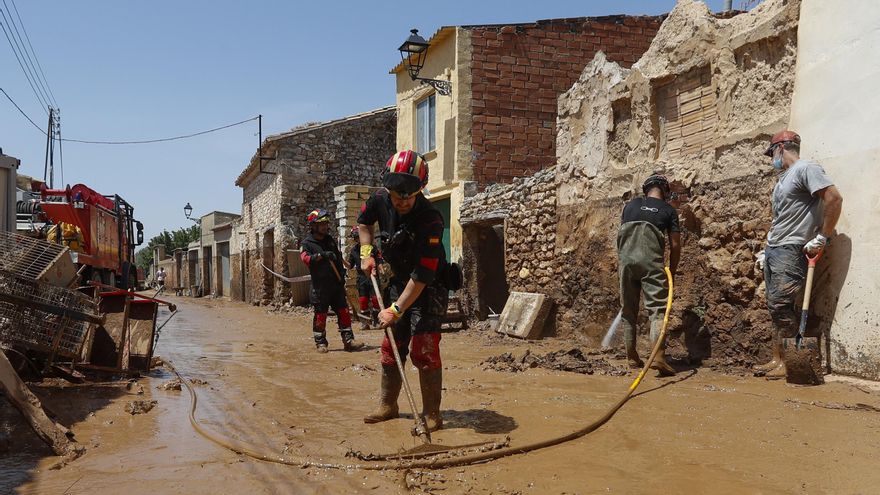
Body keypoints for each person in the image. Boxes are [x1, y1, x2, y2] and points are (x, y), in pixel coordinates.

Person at [359, 150, 449, 431]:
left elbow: (422, 276)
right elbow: (364, 223)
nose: (402, 202)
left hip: (430, 286)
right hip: (399, 281)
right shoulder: (379, 199)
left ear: (420, 190)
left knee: (424, 348)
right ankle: (388, 405)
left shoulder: (431, 219)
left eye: (408, 197)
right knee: (391, 345)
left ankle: (432, 415)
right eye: (397, 196)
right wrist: (366, 252)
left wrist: (396, 309)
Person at [754, 130, 843, 379]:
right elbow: (781, 218)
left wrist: (822, 236)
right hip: (775, 248)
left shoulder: (806, 169)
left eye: (772, 153)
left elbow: (834, 199)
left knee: (781, 304)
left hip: (792, 248)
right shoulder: (783, 179)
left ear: (780, 148)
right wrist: (767, 249)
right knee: (775, 307)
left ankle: (789, 362)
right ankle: (777, 358)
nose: (771, 159)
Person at [617, 174, 681, 376]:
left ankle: (631, 357)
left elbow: (621, 234)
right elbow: (675, 245)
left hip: (626, 262)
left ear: (646, 190)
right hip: (651, 264)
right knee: (657, 311)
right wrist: (672, 270)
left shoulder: (629, 206)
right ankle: (658, 356)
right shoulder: (668, 210)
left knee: (628, 310)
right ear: (665, 190)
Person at [300, 209, 363, 353]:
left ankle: (349, 341)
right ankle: (321, 343)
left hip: (336, 284)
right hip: (320, 287)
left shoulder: (329, 240)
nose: (325, 226)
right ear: (313, 226)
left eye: (326, 223)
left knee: (343, 311)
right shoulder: (307, 243)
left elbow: (338, 258)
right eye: (321, 224)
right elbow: (306, 259)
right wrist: (321, 255)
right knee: (321, 315)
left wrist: (342, 274)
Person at [345, 226, 381, 330]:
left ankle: (377, 321)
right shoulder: (354, 251)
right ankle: (365, 322)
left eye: (359, 237)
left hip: (373, 275)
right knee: (363, 300)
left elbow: (379, 260)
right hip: (361, 278)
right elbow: (350, 265)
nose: (359, 240)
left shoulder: (372, 248)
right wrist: (341, 259)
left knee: (375, 299)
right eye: (357, 238)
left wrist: (380, 269)